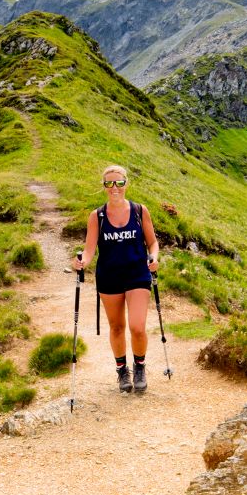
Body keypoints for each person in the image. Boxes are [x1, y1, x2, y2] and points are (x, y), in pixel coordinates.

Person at [74, 163, 160, 393]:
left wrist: (153, 257)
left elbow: (152, 242)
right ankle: (122, 371)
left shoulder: (140, 211)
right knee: (117, 327)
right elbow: (90, 249)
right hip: (109, 277)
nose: (115, 187)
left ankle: (139, 365)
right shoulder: (97, 216)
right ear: (104, 186)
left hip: (137, 274)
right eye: (109, 183)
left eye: (119, 182)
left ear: (126, 184)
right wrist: (83, 261)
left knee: (137, 327)